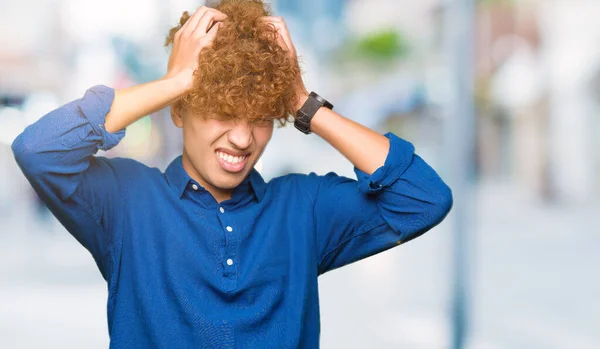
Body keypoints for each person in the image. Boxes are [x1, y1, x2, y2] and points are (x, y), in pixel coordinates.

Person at [11, 0, 453, 348]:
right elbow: (37, 149)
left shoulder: (304, 209)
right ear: (180, 111)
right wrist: (176, 81)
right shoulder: (125, 202)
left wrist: (303, 100)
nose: (243, 138)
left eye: (260, 115)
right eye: (223, 112)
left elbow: (424, 197)